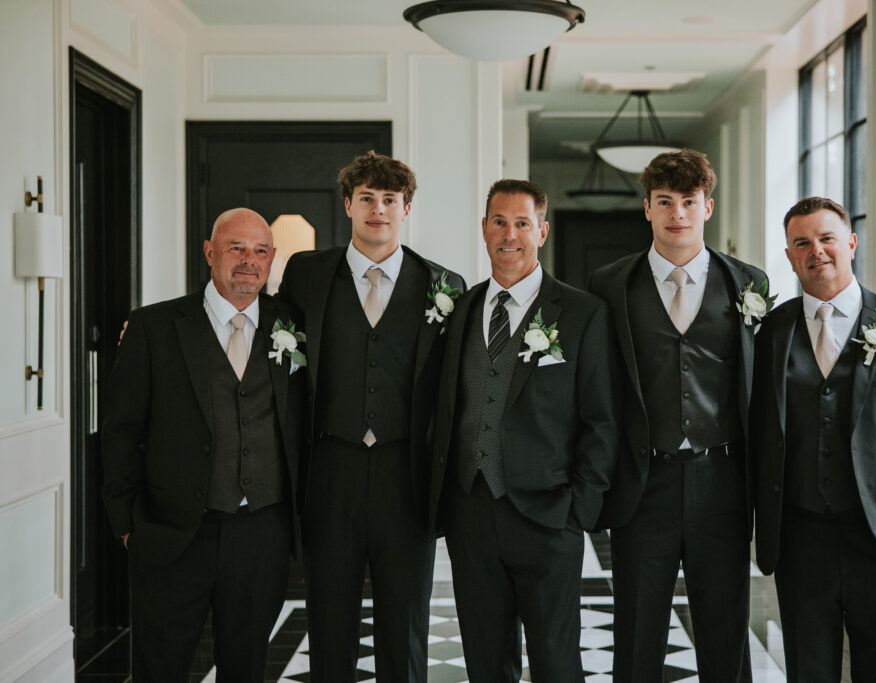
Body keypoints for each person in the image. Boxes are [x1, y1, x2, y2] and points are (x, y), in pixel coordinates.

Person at [751, 197, 876, 681]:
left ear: (850, 242)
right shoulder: (770, 332)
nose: (816, 251)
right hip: (801, 541)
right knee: (808, 672)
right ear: (789, 255)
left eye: (826, 238)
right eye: (802, 242)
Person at [277, 151, 465, 682]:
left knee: (404, 623)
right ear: (348, 205)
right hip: (330, 471)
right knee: (329, 618)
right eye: (367, 199)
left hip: (406, 475)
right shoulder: (307, 273)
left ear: (407, 209)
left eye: (389, 200)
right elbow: (261, 325)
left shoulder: (444, 285)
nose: (378, 209)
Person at [102, 208, 306, 681]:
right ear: (210, 252)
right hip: (172, 532)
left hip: (261, 533)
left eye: (260, 251)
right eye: (236, 248)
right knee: (161, 667)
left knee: (247, 667)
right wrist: (127, 523)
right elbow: (121, 431)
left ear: (272, 259)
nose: (248, 261)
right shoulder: (152, 328)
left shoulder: (295, 325)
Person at [428, 179, 619, 682]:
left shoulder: (582, 314)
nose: (508, 235)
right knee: (485, 662)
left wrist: (579, 507)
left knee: (557, 662)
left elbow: (602, 419)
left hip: (549, 515)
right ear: (484, 229)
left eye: (521, 223)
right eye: (499, 222)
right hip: (472, 512)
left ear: (542, 231)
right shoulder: (462, 310)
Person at [588, 149, 766, 681]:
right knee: (637, 631)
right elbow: (598, 386)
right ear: (647, 208)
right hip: (644, 484)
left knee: (725, 630)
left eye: (689, 201)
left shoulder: (748, 283)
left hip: (723, 481)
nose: (677, 214)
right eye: (665, 201)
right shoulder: (609, 284)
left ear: (708, 207)